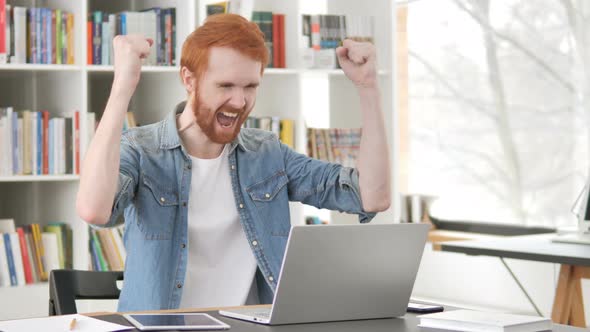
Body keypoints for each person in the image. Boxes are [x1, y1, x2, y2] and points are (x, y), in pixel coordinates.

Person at [76, 14, 391, 312]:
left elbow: (371, 197)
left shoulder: (267, 153)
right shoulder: (143, 150)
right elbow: (94, 209)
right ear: (189, 79)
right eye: (226, 86)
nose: (240, 102)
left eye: (250, 86)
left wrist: (368, 87)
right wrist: (123, 86)